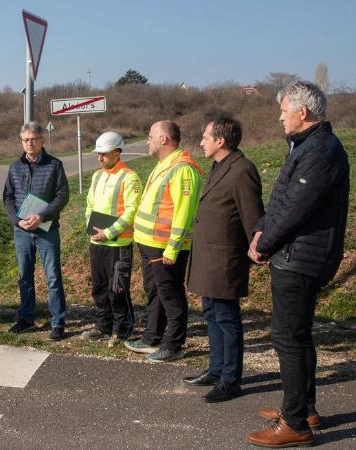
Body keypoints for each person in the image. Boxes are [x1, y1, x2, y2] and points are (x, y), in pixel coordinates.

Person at [246, 81, 349, 448]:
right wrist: (261, 230)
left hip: (300, 257)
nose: (280, 117)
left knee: (288, 338)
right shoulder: (307, 145)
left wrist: (265, 243)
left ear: (302, 112)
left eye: (283, 110)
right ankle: (304, 408)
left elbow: (295, 208)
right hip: (295, 253)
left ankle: (294, 424)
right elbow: (281, 198)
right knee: (298, 335)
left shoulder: (321, 150)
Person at [184, 113, 264, 403]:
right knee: (211, 314)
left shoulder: (242, 170)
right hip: (209, 258)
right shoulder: (219, 165)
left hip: (225, 260)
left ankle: (231, 380)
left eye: (206, 137)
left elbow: (254, 218)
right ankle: (216, 369)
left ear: (221, 140)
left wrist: (258, 248)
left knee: (226, 318)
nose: (201, 142)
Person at [124, 120, 203, 362]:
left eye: (150, 136)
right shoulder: (164, 164)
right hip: (149, 243)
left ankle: (174, 344)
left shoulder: (183, 169)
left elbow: (184, 213)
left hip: (165, 247)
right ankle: (152, 338)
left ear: (164, 139)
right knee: (154, 291)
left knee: (170, 294)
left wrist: (173, 247)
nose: (147, 140)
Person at [3, 122, 70, 341]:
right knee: (24, 276)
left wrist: (42, 216)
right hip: (22, 231)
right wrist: (17, 221)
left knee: (53, 277)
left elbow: (62, 195)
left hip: (46, 229)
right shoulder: (15, 167)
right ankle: (26, 319)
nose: (29, 143)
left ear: (42, 140)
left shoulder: (54, 165)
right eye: (25, 140)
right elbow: (8, 197)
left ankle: (57, 322)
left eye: (33, 139)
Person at [83, 131, 142, 348]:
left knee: (117, 289)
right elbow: (89, 204)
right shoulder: (97, 175)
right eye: (98, 154)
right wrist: (90, 227)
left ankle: (121, 328)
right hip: (97, 242)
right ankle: (103, 325)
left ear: (117, 152)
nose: (100, 158)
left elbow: (131, 211)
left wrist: (108, 232)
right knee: (99, 287)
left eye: (104, 154)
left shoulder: (130, 177)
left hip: (118, 243)